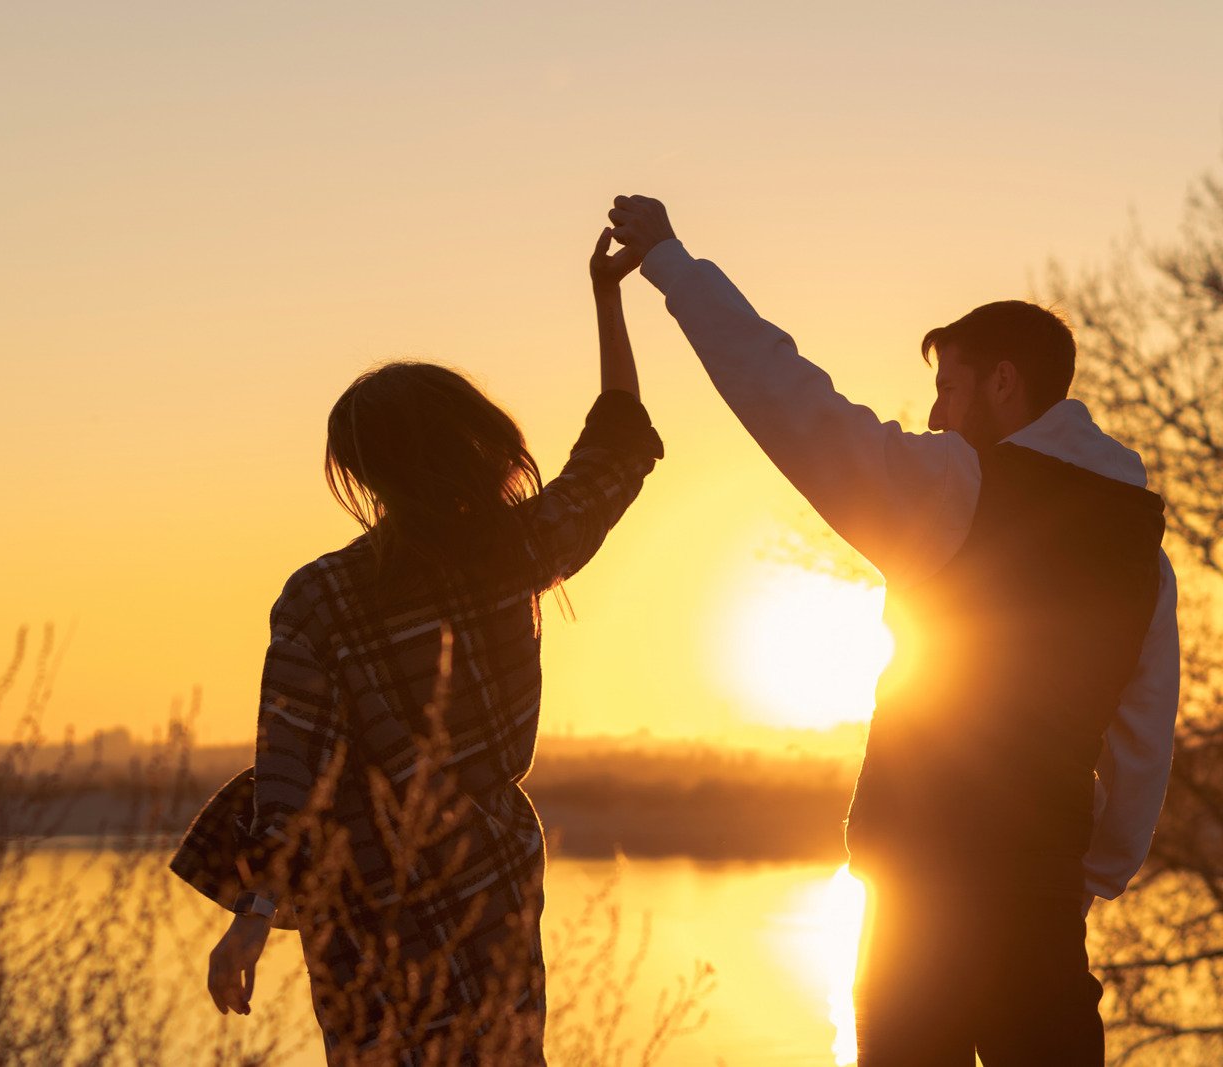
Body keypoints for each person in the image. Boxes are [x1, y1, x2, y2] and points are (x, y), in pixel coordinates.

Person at [606, 195, 1179, 1065]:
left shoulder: (956, 485)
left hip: (923, 917)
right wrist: (1085, 874)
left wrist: (673, 266)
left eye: (949, 387)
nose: (938, 414)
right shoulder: (1145, 549)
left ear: (1003, 382)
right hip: (1046, 921)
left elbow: (790, 398)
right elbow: (1143, 750)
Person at [168, 228, 664, 1064]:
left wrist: (253, 917)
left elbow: (293, 775)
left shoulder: (323, 596)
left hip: (367, 902)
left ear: (366, 474)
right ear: (470, 443)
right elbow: (617, 449)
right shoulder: (517, 551)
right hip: (490, 879)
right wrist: (608, 299)